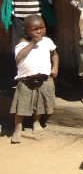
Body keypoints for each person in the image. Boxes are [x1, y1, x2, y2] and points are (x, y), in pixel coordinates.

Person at [10, 14, 59, 143]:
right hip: (26, 81)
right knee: (22, 105)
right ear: (26, 30)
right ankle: (18, 127)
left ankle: (36, 122)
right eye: (34, 29)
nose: (39, 31)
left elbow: (54, 54)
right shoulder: (22, 43)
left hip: (43, 79)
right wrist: (32, 43)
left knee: (40, 104)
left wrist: (55, 67)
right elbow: (19, 57)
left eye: (42, 28)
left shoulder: (47, 41)